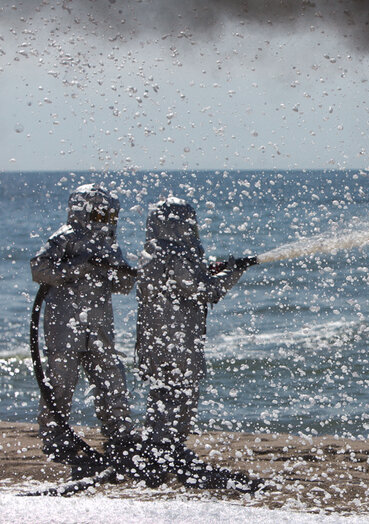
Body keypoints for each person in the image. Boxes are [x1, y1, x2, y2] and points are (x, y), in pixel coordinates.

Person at [135, 196, 252, 487]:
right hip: (177, 340)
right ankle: (167, 451)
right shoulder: (175, 254)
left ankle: (159, 448)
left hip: (158, 339)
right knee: (181, 393)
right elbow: (204, 291)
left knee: (162, 393)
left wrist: (212, 269)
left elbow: (183, 283)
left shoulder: (154, 251)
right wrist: (234, 271)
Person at [30, 183, 138, 479]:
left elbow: (123, 286)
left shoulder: (110, 245)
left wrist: (120, 271)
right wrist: (81, 266)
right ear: (83, 210)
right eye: (100, 214)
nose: (105, 221)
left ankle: (119, 437)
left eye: (109, 215)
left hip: (100, 327)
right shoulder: (64, 238)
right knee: (61, 385)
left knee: (113, 381)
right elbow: (39, 270)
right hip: (64, 325)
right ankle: (55, 439)